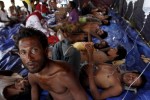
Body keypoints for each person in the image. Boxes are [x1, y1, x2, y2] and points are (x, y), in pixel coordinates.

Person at [14, 27, 88, 100]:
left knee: (72, 52)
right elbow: (34, 92)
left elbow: (81, 97)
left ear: (46, 51)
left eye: (34, 50)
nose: (29, 58)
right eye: (23, 52)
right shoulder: (32, 76)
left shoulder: (64, 74)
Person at [80, 44, 147, 100]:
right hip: (81, 65)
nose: (131, 78)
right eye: (134, 75)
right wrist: (90, 53)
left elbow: (98, 97)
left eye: (133, 81)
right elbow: (95, 62)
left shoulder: (118, 88)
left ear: (130, 86)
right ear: (132, 72)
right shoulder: (114, 67)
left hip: (79, 78)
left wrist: (90, 76)